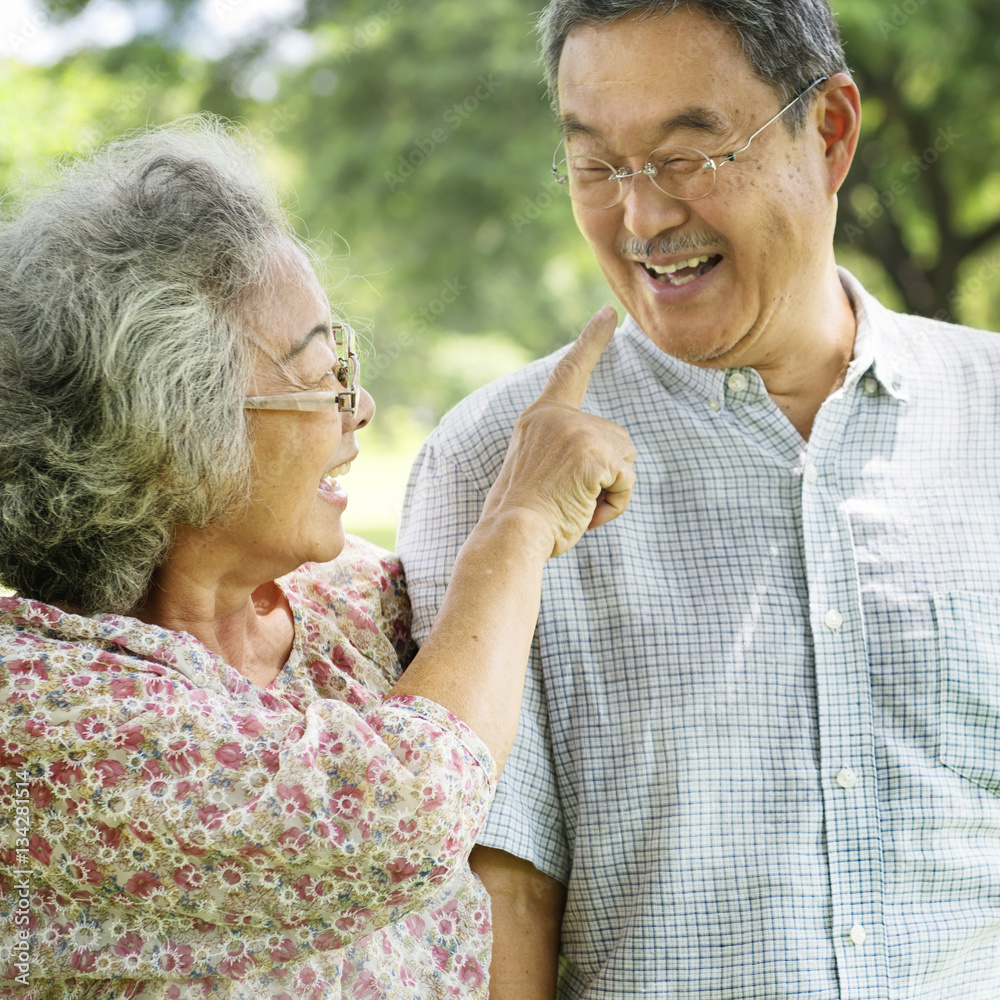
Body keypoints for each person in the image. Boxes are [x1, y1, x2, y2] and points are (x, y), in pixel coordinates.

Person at [397, 1, 1000, 997]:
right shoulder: (493, 469)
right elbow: (498, 900)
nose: (641, 218)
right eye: (596, 166)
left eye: (688, 156)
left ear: (831, 131)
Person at [0, 116, 635, 999]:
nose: (360, 404)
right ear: (177, 432)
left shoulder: (351, 603)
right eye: (322, 370)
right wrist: (517, 522)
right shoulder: (42, 714)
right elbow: (398, 813)